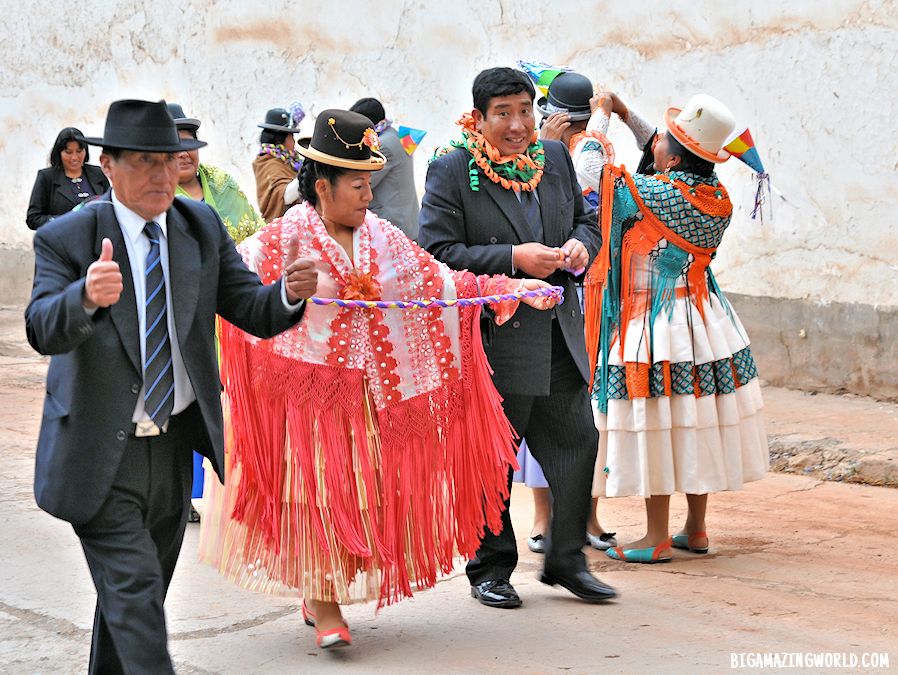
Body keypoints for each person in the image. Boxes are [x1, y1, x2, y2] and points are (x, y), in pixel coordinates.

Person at [199, 109, 558, 649]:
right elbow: (232, 290)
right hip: (308, 397)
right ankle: (323, 603)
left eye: (371, 183)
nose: (370, 195)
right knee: (314, 494)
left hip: (371, 396)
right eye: (359, 184)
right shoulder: (279, 242)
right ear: (323, 186)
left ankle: (319, 588)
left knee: (358, 499)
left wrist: (506, 287)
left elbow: (440, 283)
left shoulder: (383, 239)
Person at [24, 99, 318, 674]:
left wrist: (288, 293)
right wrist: (84, 298)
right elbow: (40, 327)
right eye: (143, 162)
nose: (162, 175)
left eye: (171, 160)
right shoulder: (69, 237)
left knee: (137, 599)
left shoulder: (197, 226)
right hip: (97, 451)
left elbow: (248, 308)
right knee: (135, 599)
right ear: (108, 166)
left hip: (172, 449)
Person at [418, 66, 617, 608]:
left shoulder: (553, 159)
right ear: (478, 119)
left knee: (579, 444)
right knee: (493, 459)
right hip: (495, 344)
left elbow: (587, 221)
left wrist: (579, 246)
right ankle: (490, 567)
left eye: (525, 110)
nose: (517, 124)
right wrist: (512, 259)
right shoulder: (451, 170)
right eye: (502, 114)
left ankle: (566, 559)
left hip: (558, 337)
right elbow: (436, 253)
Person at [584, 94, 769, 564]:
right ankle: (696, 528)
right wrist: (629, 116)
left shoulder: (655, 193)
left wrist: (602, 117)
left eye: (664, 141)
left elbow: (590, 171)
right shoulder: (715, 197)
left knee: (659, 424)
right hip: (704, 321)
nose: (656, 143)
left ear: (672, 157)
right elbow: (662, 153)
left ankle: (654, 536)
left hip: (654, 324)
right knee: (695, 421)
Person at [528, 71, 619, 552]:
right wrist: (600, 120)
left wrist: (607, 116)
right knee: (544, 409)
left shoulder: (578, 151)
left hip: (584, 294)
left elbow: (586, 216)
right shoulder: (539, 157)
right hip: (537, 296)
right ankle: (546, 518)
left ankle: (584, 516)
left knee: (581, 411)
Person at [168, 102, 268, 522]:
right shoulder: (153, 196)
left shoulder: (222, 185)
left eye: (191, 145)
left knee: (233, 403)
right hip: (183, 316)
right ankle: (185, 495)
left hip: (230, 312)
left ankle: (236, 489)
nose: (186, 154)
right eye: (176, 147)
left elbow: (257, 234)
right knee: (189, 400)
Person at [349, 97, 420, 238]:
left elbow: (362, 182)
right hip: (407, 223)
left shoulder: (382, 145)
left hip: (394, 226)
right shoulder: (396, 135)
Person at [26, 127, 110, 230]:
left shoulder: (98, 174)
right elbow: (33, 218)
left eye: (79, 151)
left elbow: (110, 207)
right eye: (68, 152)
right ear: (59, 153)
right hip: (61, 242)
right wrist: (66, 221)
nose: (74, 157)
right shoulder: (46, 177)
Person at [253, 107, 303, 221]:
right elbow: (285, 196)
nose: (294, 142)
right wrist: (308, 173)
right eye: (291, 137)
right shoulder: (269, 163)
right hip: (281, 228)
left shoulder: (290, 161)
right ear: (280, 140)